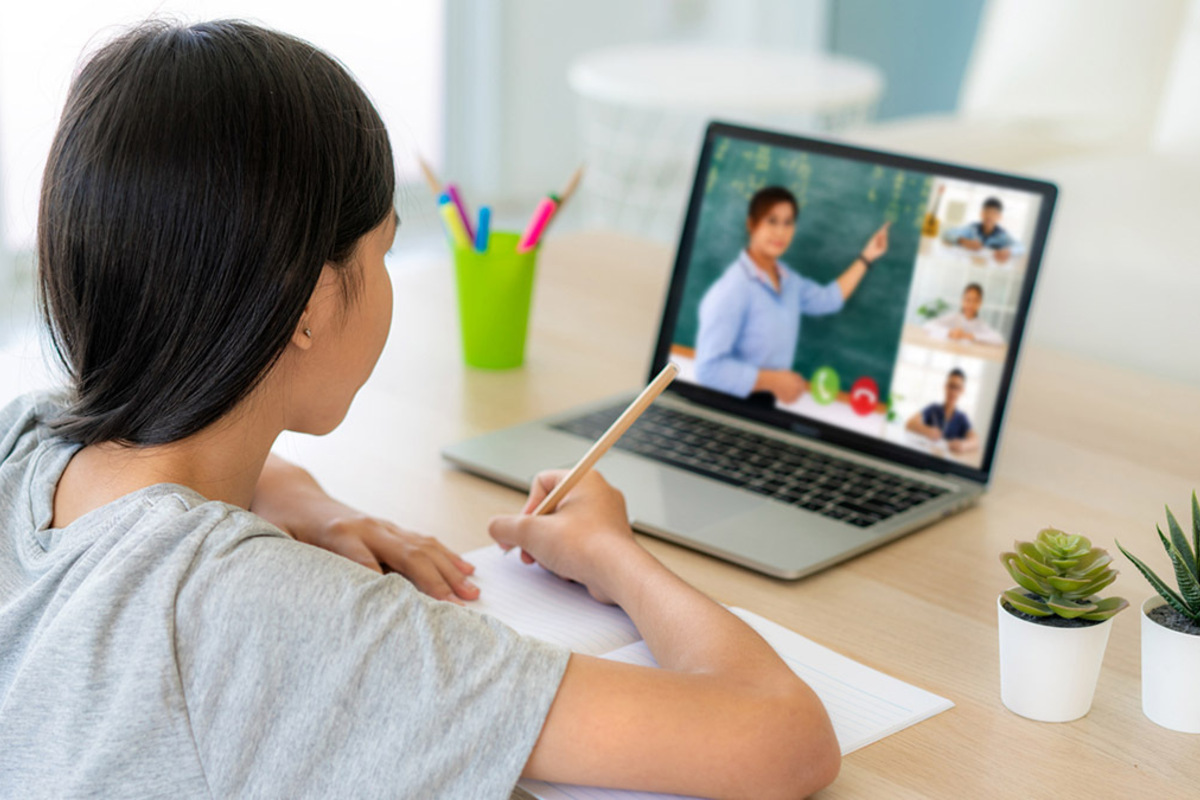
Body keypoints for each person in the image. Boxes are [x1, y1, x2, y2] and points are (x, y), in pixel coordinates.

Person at [0, 21, 840, 798]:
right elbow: (782, 739)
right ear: (312, 300)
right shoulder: (273, 616)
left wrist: (314, 509)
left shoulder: (32, 441)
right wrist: (614, 557)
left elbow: (189, 493)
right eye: (386, 246)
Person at [694, 185, 890, 404]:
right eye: (772, 221)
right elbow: (708, 369)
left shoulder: (789, 281)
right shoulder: (733, 289)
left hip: (764, 406)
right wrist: (772, 381)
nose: (781, 232)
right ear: (751, 224)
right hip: (728, 407)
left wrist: (867, 257)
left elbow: (829, 299)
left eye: (788, 223)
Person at [905, 369, 980, 455]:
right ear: (945, 386)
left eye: (957, 388)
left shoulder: (962, 418)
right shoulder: (933, 409)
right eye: (951, 386)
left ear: (962, 391)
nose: (953, 392)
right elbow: (909, 423)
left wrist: (964, 445)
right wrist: (927, 430)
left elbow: (976, 441)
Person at [943, 197, 1024, 263]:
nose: (989, 216)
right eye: (987, 212)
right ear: (981, 213)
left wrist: (1008, 251)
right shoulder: (972, 229)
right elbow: (947, 233)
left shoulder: (1002, 235)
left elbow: (1021, 247)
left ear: (999, 217)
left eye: (994, 213)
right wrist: (963, 241)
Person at [923, 283, 1006, 345]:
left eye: (975, 301)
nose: (971, 304)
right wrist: (950, 332)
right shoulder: (954, 317)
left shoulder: (981, 324)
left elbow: (999, 339)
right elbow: (927, 325)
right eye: (968, 300)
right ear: (962, 301)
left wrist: (969, 336)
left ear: (980, 303)